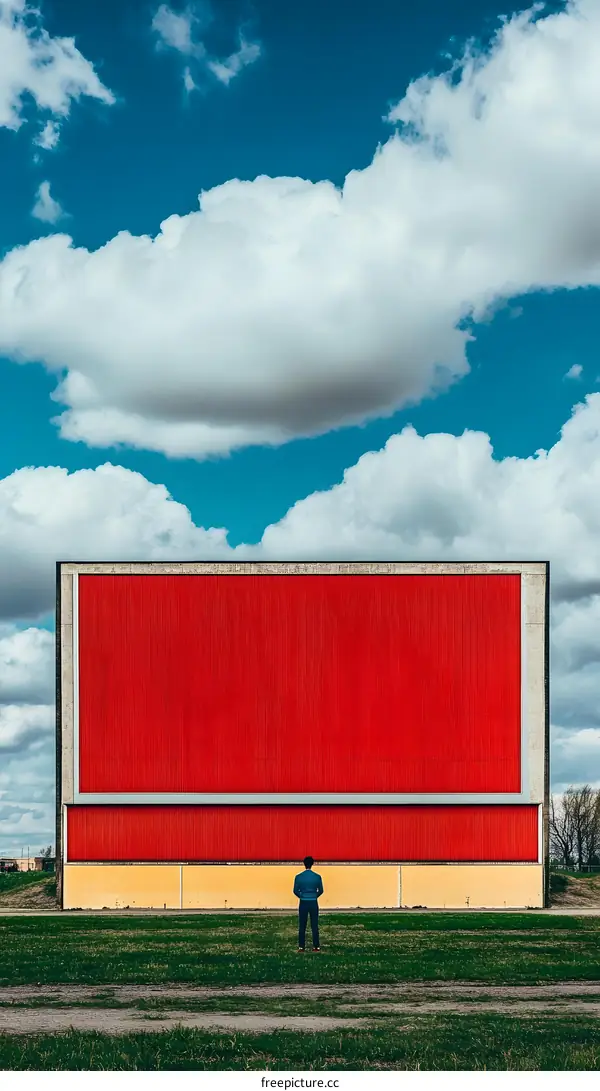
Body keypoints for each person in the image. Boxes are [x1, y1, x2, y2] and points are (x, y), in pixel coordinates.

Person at [293, 856, 323, 951]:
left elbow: (295, 890)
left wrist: (302, 896)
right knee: (314, 925)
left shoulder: (298, 877)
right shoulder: (317, 877)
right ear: (312, 864)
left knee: (302, 925)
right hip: (313, 901)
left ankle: (301, 946)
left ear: (304, 864)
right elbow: (321, 890)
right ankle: (316, 946)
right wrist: (314, 895)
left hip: (303, 902)